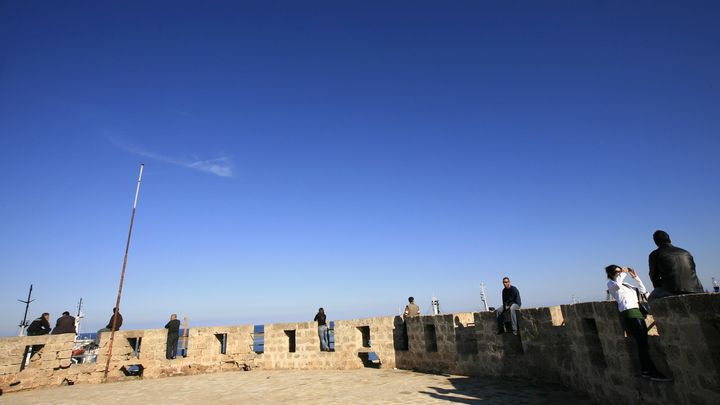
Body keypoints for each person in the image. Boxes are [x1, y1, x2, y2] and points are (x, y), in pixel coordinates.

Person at [606, 264, 672, 382]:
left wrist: (635, 277)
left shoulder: (626, 284)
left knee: (643, 343)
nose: (620, 273)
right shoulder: (611, 284)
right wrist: (623, 273)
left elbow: (642, 291)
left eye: (620, 271)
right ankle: (651, 371)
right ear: (611, 274)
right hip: (629, 313)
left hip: (638, 312)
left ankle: (646, 370)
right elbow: (617, 285)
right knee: (642, 343)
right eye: (617, 272)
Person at [648, 230, 704, 300]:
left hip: (672, 290)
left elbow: (654, 277)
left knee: (651, 299)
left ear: (656, 242)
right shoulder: (686, 252)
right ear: (670, 240)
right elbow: (693, 271)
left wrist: (660, 287)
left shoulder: (655, 254)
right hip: (696, 289)